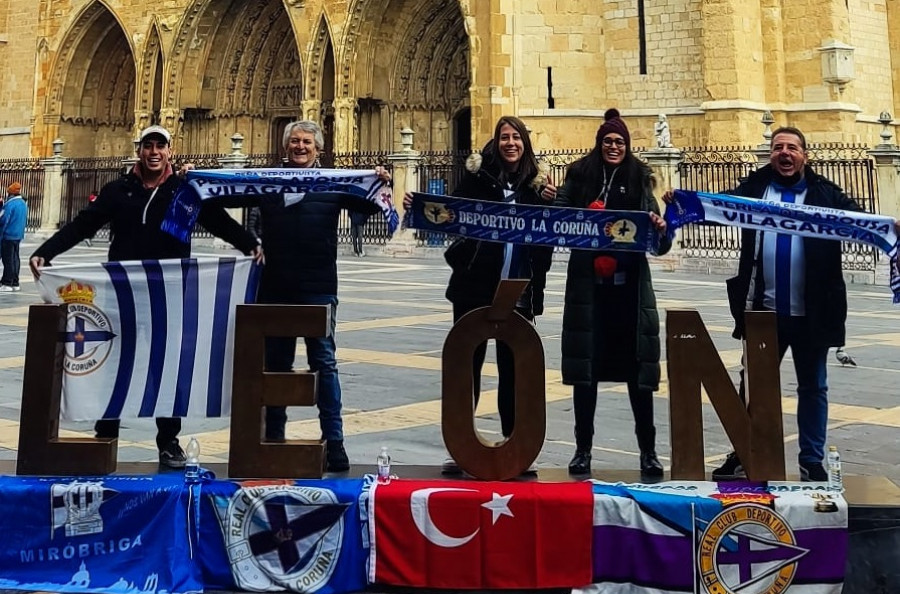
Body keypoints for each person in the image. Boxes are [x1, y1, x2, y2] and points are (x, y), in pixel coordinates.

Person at [29, 125, 262, 468]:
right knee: (114, 364)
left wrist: (251, 245)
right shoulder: (118, 191)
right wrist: (46, 252)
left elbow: (219, 222)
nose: (154, 151)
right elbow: (83, 225)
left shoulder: (184, 191)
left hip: (169, 294)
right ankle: (105, 435)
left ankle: (168, 440)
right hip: (122, 295)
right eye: (148, 145)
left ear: (170, 150)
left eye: (160, 146)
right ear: (139, 150)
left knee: (166, 367)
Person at [405, 115, 557, 473]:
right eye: (504, 137)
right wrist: (419, 204)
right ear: (496, 141)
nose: (510, 143)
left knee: (514, 370)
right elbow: (450, 211)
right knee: (466, 367)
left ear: (525, 143)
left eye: (516, 138)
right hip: (474, 285)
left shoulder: (537, 188)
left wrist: (551, 202)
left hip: (517, 288)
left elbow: (551, 234)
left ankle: (514, 443)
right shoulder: (478, 177)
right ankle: (461, 445)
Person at [711, 126, 863, 482]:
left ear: (804, 156)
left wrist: (889, 228)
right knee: (752, 386)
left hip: (813, 312)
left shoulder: (824, 193)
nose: (784, 153)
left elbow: (859, 220)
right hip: (764, 311)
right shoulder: (754, 189)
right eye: (778, 147)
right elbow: (716, 205)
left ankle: (811, 459)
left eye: (792, 147)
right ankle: (743, 452)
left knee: (813, 386)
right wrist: (681, 203)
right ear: (771, 154)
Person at [249, 120, 390, 472]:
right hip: (276, 288)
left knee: (324, 364)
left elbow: (367, 208)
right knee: (276, 368)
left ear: (318, 149)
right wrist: (249, 243)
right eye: (294, 141)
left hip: (319, 288)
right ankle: (274, 440)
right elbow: (225, 197)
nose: (300, 147)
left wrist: (378, 181)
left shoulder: (333, 182)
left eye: (307, 142)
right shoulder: (268, 182)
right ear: (285, 147)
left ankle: (335, 442)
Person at [556, 108, 670, 480]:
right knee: (585, 373)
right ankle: (582, 450)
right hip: (590, 291)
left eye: (619, 142)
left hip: (629, 292)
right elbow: (557, 217)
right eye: (608, 141)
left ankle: (648, 452)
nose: (613, 147)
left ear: (627, 145)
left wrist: (658, 227)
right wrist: (582, 216)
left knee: (639, 375)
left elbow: (660, 240)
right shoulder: (580, 174)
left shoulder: (640, 177)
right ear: (599, 143)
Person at [0, 182, 28, 292]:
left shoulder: (10, 204)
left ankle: (7, 282)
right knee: (15, 258)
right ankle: (15, 282)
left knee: (8, 259)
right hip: (18, 235)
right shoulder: (23, 203)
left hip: (8, 234)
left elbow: (4, 219)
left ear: (10, 194)